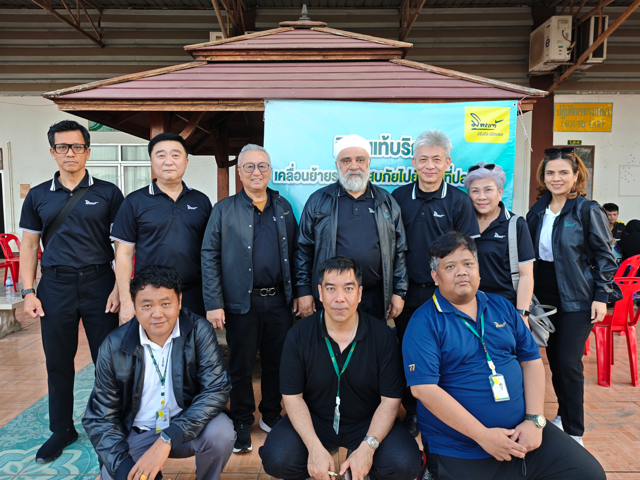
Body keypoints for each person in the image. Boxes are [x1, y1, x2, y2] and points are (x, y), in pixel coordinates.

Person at [403, 231, 606, 480]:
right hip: (462, 447)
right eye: (450, 266)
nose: (461, 272)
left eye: (468, 264)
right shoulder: (423, 322)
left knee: (589, 474)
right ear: (435, 276)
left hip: (523, 432)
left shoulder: (501, 306)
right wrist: (483, 436)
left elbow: (531, 360)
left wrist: (534, 419)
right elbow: (423, 390)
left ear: (478, 271)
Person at [260, 256, 422, 480]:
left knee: (405, 463)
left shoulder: (383, 337)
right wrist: (313, 446)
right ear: (320, 292)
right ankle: (316, 468)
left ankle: (361, 469)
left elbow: (390, 400)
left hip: (367, 421)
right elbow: (292, 397)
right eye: (331, 289)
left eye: (348, 288)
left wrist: (368, 448)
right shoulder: (298, 335)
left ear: (360, 293)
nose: (340, 298)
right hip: (316, 420)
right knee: (276, 458)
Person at [19, 120, 124, 463]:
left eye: (77, 147)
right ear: (53, 152)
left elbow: (124, 246)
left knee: (108, 360)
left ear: (87, 151)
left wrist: (120, 289)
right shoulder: (38, 195)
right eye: (62, 147)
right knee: (58, 361)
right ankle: (62, 428)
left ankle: (111, 423)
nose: (70, 153)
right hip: (55, 286)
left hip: (100, 283)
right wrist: (28, 291)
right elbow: (29, 246)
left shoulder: (108, 193)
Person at [83, 265, 235, 480]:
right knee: (119, 473)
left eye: (165, 304)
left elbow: (216, 389)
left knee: (221, 432)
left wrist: (168, 438)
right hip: (137, 432)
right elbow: (101, 417)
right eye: (146, 305)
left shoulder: (198, 331)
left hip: (185, 425)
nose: (157, 314)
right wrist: (125, 470)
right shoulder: (113, 346)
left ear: (179, 301)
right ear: (134, 305)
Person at [201, 144, 298, 454]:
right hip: (240, 304)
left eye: (262, 166)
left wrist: (299, 294)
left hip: (279, 301)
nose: (257, 172)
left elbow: (296, 252)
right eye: (250, 167)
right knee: (241, 366)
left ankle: (271, 414)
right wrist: (214, 302)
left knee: (276, 363)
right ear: (239, 173)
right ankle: (242, 420)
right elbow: (209, 255)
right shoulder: (224, 209)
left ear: (270, 171)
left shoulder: (283, 207)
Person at [391, 129, 479, 436]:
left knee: (449, 353)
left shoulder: (460, 201)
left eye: (437, 159)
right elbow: (391, 248)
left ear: (448, 163)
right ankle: (414, 413)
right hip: (407, 293)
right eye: (424, 159)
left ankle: (447, 414)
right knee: (409, 355)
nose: (430, 165)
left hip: (447, 295)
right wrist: (397, 290)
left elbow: (466, 254)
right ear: (414, 162)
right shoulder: (398, 197)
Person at [526, 147, 617, 445]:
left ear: (576, 175)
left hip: (578, 298)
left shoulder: (587, 210)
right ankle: (563, 415)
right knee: (554, 360)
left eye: (564, 172)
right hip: (544, 298)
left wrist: (601, 296)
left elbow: (605, 257)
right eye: (550, 173)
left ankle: (575, 431)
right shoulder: (537, 211)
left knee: (568, 361)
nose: (557, 178)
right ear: (543, 177)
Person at [295, 134, 407, 322]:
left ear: (368, 163)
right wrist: (304, 291)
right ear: (337, 165)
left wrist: (399, 291)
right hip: (331, 297)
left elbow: (400, 250)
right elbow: (302, 249)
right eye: (346, 160)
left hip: (375, 297)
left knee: (372, 340)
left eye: (360, 160)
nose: (354, 166)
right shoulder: (318, 201)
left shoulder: (386, 201)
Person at [112, 132, 212, 321]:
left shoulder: (201, 201)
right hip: (149, 294)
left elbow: (210, 251)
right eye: (161, 155)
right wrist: (126, 301)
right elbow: (124, 253)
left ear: (186, 162)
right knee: (153, 340)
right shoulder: (134, 201)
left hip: (194, 294)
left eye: (175, 155)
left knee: (191, 340)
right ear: (151, 161)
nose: (168, 162)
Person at [464, 161, 535, 323]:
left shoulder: (515, 224)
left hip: (503, 309)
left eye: (488, 190)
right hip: (465, 307)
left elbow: (526, 274)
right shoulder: (462, 222)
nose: (482, 197)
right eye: (475, 191)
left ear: (500, 192)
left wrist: (522, 315)